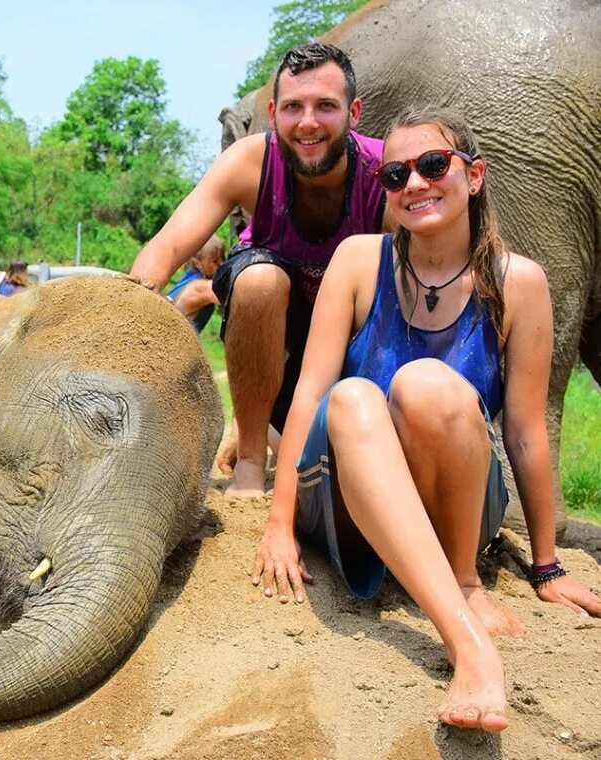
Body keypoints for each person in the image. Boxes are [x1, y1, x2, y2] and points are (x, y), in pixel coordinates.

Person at [249, 106, 601, 732]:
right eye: (395, 175)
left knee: (426, 385)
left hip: (456, 506)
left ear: (474, 176)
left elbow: (524, 430)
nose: (414, 184)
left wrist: (547, 566)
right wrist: (279, 524)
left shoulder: (520, 282)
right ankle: (469, 646)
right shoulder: (359, 261)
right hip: (349, 498)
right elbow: (309, 394)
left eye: (433, 165)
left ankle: (461, 578)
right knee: (356, 396)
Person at [130, 43, 386, 496]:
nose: (308, 122)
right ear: (272, 114)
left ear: (355, 112)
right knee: (260, 280)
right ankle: (250, 461)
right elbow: (165, 250)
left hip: (351, 354)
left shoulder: (386, 174)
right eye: (293, 107)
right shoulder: (251, 162)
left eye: (326, 106)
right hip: (270, 340)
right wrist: (119, 328)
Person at [166, 237, 225, 332]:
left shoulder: (191, 274)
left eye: (223, 258)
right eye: (215, 261)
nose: (222, 263)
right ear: (198, 264)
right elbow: (233, 295)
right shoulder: (201, 286)